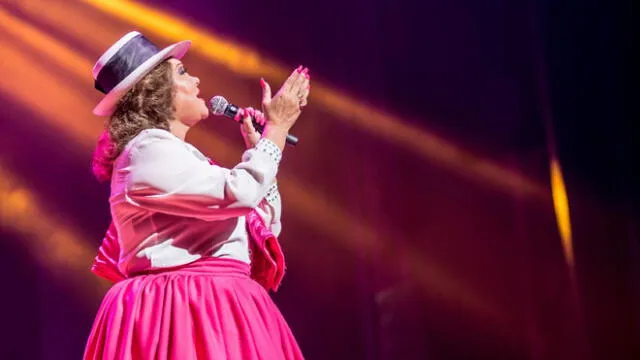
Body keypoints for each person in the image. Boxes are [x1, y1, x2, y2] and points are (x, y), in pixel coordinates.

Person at [84, 31, 309, 359]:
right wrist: (275, 132)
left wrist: (260, 149)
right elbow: (240, 193)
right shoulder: (146, 151)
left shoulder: (178, 155)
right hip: (183, 308)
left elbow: (260, 225)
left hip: (222, 303)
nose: (197, 80)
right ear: (154, 92)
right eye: (183, 73)